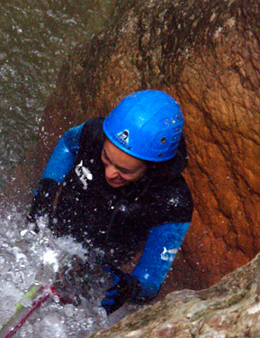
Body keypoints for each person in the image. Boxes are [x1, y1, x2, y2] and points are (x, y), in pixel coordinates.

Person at [27, 90, 194, 314]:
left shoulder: (171, 203)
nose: (109, 173)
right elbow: (68, 144)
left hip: (96, 270)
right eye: (106, 158)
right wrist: (47, 188)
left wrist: (128, 287)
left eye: (124, 170)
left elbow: (150, 283)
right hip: (54, 237)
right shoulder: (94, 134)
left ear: (151, 167)